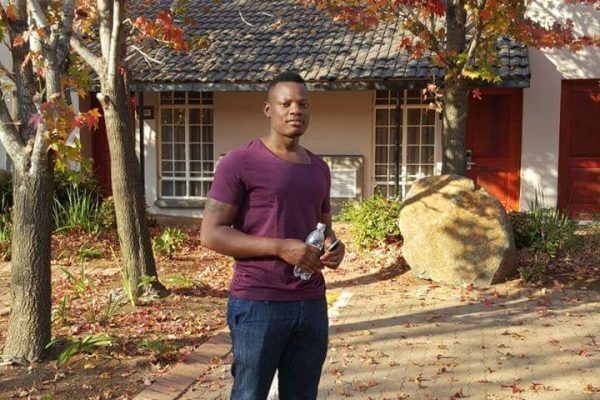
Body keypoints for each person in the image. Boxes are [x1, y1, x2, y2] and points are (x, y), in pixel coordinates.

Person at [200, 71, 345, 400]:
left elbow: (324, 227)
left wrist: (334, 247)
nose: (296, 110)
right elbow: (210, 234)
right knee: (249, 395)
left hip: (311, 303)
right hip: (258, 302)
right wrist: (280, 248)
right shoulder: (240, 162)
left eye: (303, 104)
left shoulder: (319, 168)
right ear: (268, 109)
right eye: (286, 103)